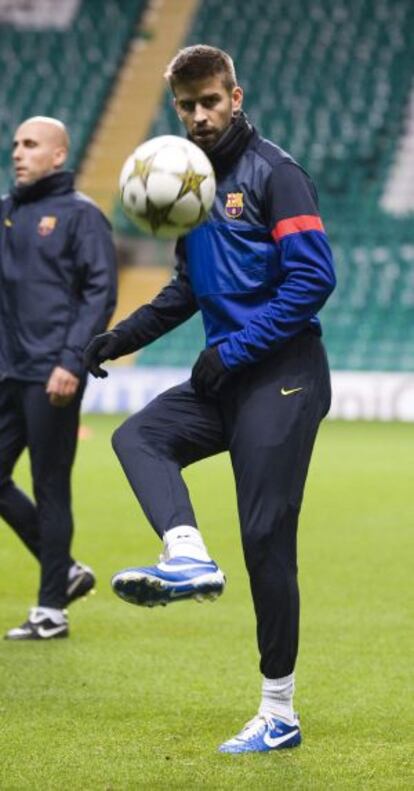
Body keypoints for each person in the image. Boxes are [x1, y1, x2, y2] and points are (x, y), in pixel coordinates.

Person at [84, 45, 336, 753]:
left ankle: (278, 711)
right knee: (138, 436)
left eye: (210, 102)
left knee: (264, 537)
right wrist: (115, 337)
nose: (199, 117)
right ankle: (187, 552)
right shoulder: (188, 183)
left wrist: (235, 347)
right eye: (187, 106)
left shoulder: (275, 175)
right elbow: (188, 290)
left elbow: (313, 279)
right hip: (226, 375)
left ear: (236, 95)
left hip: (283, 374)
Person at [1, 116, 117, 640]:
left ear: (58, 155)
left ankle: (51, 611)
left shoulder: (81, 216)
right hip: (7, 368)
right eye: (15, 145)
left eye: (30, 145)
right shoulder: (5, 213)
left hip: (53, 373)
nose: (18, 153)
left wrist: (73, 360)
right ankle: (65, 569)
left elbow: (100, 292)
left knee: (51, 487)